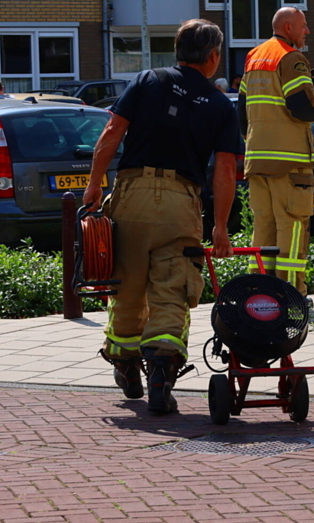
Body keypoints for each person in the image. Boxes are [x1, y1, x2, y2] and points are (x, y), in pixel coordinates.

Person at [82, 18, 237, 415]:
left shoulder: (146, 80)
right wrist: (219, 226)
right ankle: (161, 374)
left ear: (178, 50)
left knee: (128, 287)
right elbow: (224, 171)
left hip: (132, 194)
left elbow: (112, 131)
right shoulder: (220, 104)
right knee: (171, 289)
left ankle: (126, 363)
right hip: (180, 204)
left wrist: (95, 184)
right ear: (214, 56)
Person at [239, 7, 314, 297]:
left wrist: (254, 141)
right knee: (291, 227)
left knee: (263, 227)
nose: (307, 32)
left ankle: (260, 293)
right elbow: (303, 106)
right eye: (303, 26)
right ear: (288, 27)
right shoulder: (290, 58)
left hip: (257, 159)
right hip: (289, 162)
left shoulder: (254, 57)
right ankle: (291, 294)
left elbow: (241, 110)